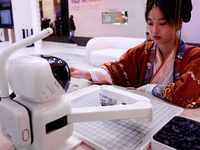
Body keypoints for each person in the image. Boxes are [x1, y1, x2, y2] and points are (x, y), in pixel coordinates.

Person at [70, 0, 200, 108]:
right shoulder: (141, 52)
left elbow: (186, 94)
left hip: (175, 119)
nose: (154, 30)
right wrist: (89, 74)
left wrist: (148, 89)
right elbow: (118, 69)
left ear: (178, 22)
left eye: (162, 23)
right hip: (142, 112)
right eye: (150, 23)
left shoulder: (194, 57)